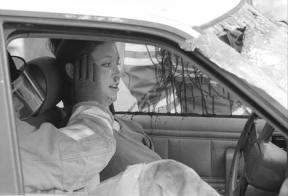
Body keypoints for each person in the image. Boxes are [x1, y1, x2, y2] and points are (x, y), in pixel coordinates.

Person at [15, 39, 220, 195]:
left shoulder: (120, 126)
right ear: (73, 72)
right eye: (106, 65)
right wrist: (90, 102)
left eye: (117, 64)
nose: (117, 74)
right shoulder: (92, 138)